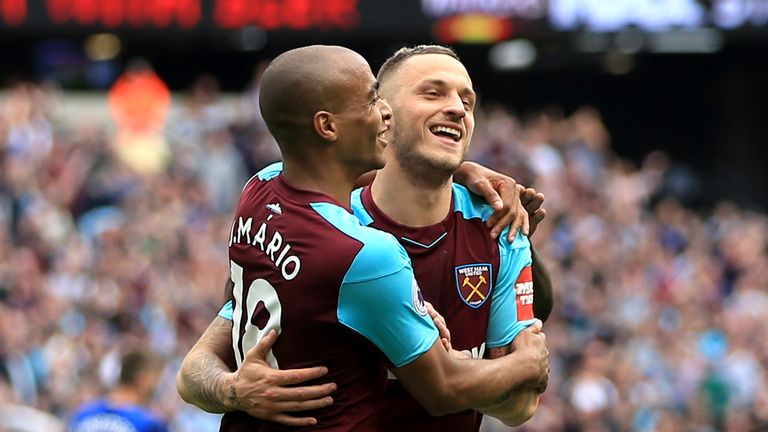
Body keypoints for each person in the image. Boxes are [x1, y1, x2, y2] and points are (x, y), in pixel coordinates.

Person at [176, 45, 549, 431]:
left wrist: (458, 172)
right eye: (432, 93)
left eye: (467, 99)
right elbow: (445, 389)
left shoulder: (264, 186)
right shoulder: (359, 250)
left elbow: (522, 405)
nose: (458, 108)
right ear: (383, 113)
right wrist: (523, 364)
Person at [69, 349, 168, 432]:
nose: (156, 387)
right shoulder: (148, 423)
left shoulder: (83, 414)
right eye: (156, 380)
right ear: (143, 380)